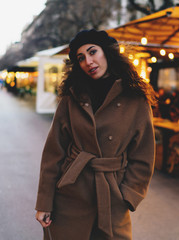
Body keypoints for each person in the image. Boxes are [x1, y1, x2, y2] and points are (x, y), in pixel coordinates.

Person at [35, 29, 155, 240]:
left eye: (93, 52)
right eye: (81, 58)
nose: (88, 61)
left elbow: (143, 156)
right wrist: (44, 203)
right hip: (70, 195)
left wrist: (128, 195)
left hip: (112, 198)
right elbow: (53, 154)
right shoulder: (71, 98)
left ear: (107, 52)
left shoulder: (135, 99)